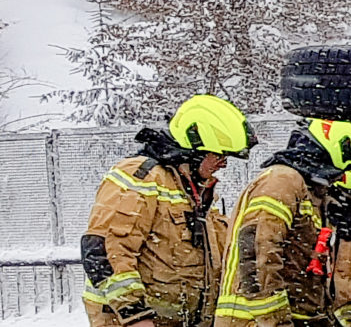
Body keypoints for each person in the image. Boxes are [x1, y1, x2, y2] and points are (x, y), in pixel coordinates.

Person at [81, 94, 257, 327]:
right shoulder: (142, 176)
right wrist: (134, 316)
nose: (223, 163)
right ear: (195, 150)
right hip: (130, 321)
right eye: (218, 154)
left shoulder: (193, 191)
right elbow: (105, 248)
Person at [214, 118, 351, 327]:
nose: (337, 181)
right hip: (253, 322)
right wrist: (275, 320)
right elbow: (256, 252)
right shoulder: (282, 181)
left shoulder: (311, 195)